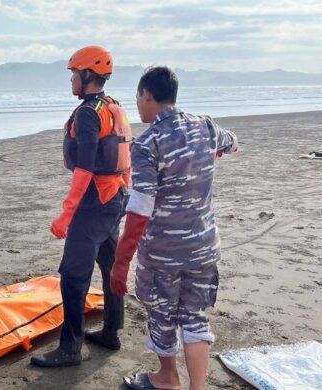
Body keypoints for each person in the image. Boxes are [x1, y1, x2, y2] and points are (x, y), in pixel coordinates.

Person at [110, 66, 239, 390]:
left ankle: (167, 378)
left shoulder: (148, 143)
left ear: (147, 96)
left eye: (138, 98)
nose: (137, 106)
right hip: (203, 246)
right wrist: (218, 150)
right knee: (195, 317)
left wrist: (122, 260)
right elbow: (232, 142)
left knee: (162, 314)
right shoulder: (205, 126)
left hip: (163, 253)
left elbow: (140, 210)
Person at [31, 45, 133, 368]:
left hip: (94, 203)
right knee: (111, 264)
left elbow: (85, 169)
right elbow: (124, 157)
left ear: (87, 75)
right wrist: (123, 194)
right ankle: (112, 332)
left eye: (74, 74)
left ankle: (70, 349)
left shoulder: (89, 113)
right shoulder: (114, 107)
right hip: (115, 197)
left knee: (74, 277)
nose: (71, 80)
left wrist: (66, 213)